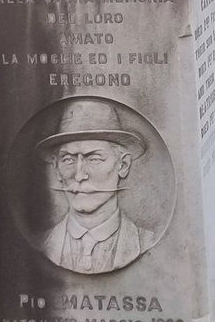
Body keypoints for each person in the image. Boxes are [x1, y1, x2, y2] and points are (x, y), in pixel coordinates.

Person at [39, 98, 149, 275]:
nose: (79, 175)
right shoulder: (43, 243)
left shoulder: (146, 242)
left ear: (123, 165)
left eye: (95, 159)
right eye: (68, 160)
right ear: (56, 169)